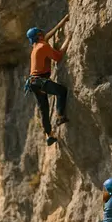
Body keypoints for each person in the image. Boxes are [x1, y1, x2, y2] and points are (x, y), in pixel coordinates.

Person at [25, 17, 71, 146]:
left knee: (44, 109)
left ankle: (49, 135)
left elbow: (48, 35)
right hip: (41, 80)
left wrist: (62, 22)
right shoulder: (43, 46)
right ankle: (60, 116)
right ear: (39, 35)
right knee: (62, 91)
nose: (44, 34)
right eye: (41, 33)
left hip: (34, 83)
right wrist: (68, 38)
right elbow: (58, 56)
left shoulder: (36, 47)